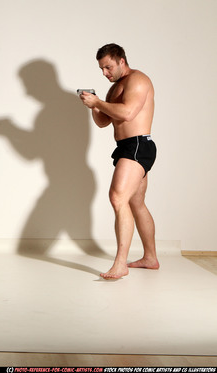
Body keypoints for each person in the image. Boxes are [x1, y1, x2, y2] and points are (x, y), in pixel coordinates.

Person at [80, 43, 159, 279]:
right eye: (102, 69)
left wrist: (97, 103)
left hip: (137, 146)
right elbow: (104, 121)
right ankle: (150, 257)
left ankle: (120, 263)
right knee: (136, 203)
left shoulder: (138, 80)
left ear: (121, 61)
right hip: (126, 147)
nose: (105, 73)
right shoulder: (115, 88)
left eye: (108, 67)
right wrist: (93, 106)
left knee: (117, 198)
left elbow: (127, 113)